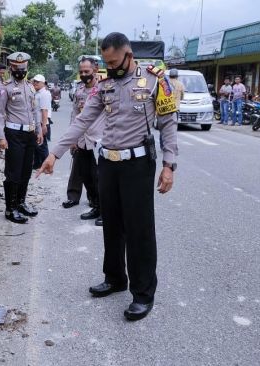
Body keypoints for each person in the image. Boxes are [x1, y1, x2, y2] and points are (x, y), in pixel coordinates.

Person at [37, 32, 178, 321]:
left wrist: (169, 165)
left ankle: (143, 293)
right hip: (108, 163)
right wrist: (55, 154)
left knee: (139, 230)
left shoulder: (154, 80)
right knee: (112, 225)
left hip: (138, 165)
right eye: (106, 62)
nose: (110, 67)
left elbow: (168, 123)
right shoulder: (104, 85)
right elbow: (83, 120)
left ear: (129, 55)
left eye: (114, 61)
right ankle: (115, 278)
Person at [0, 52, 43, 224]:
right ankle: (10, 209)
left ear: (27, 67)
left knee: (25, 171)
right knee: (13, 172)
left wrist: (39, 130)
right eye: (16, 67)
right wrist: (1, 137)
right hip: (13, 134)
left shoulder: (30, 87)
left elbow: (34, 110)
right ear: (11, 67)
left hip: (29, 134)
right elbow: (0, 114)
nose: (20, 70)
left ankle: (21, 203)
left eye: (22, 67)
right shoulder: (4, 87)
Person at [64, 57, 106, 226]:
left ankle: (105, 211)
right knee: (87, 176)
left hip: (99, 140)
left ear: (95, 70)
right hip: (82, 140)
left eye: (86, 72)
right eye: (81, 72)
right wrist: (72, 139)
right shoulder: (79, 91)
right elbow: (74, 115)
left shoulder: (103, 89)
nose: (83, 75)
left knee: (101, 178)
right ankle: (96, 206)